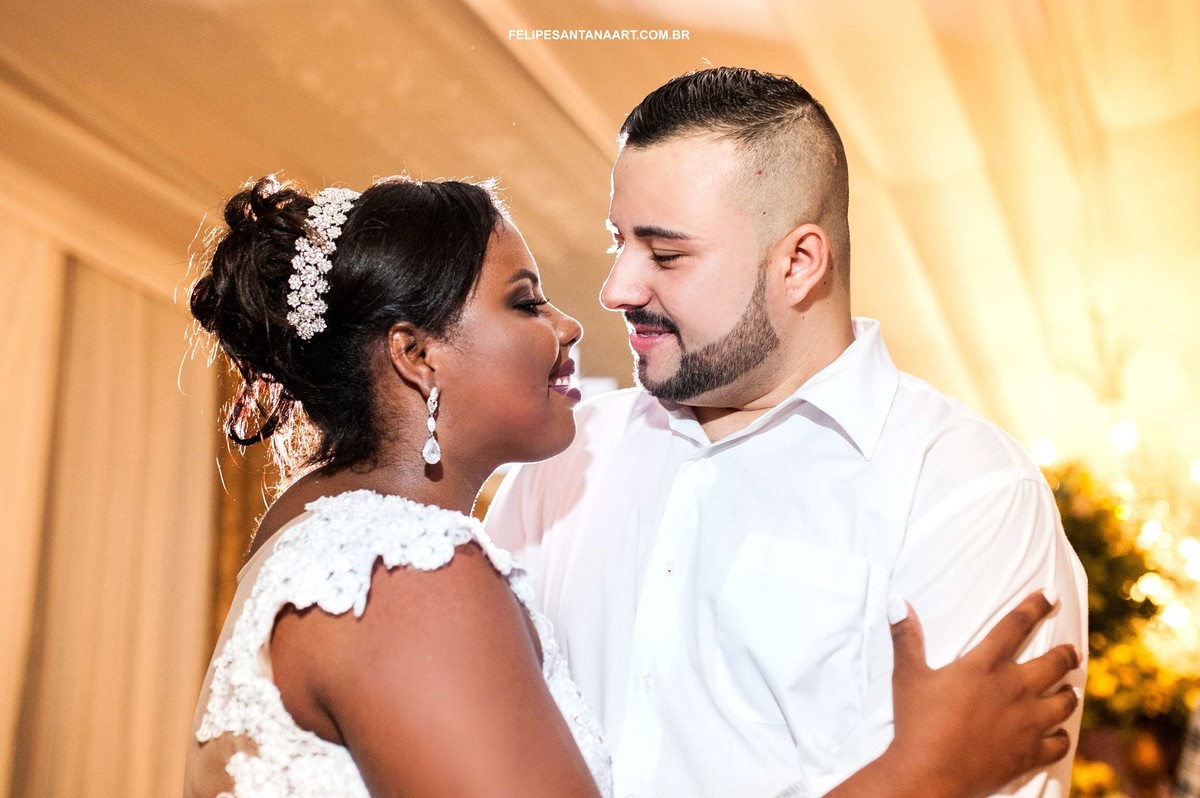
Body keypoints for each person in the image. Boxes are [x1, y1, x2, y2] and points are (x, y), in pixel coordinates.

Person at [183, 173, 1077, 798]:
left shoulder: (323, 526)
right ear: (416, 356)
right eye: (525, 301)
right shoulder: (403, 571)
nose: (575, 321)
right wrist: (922, 777)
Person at [485, 66, 1089, 797]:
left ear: (798, 263)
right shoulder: (564, 454)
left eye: (666, 254)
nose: (616, 289)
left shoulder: (965, 491)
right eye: (620, 243)